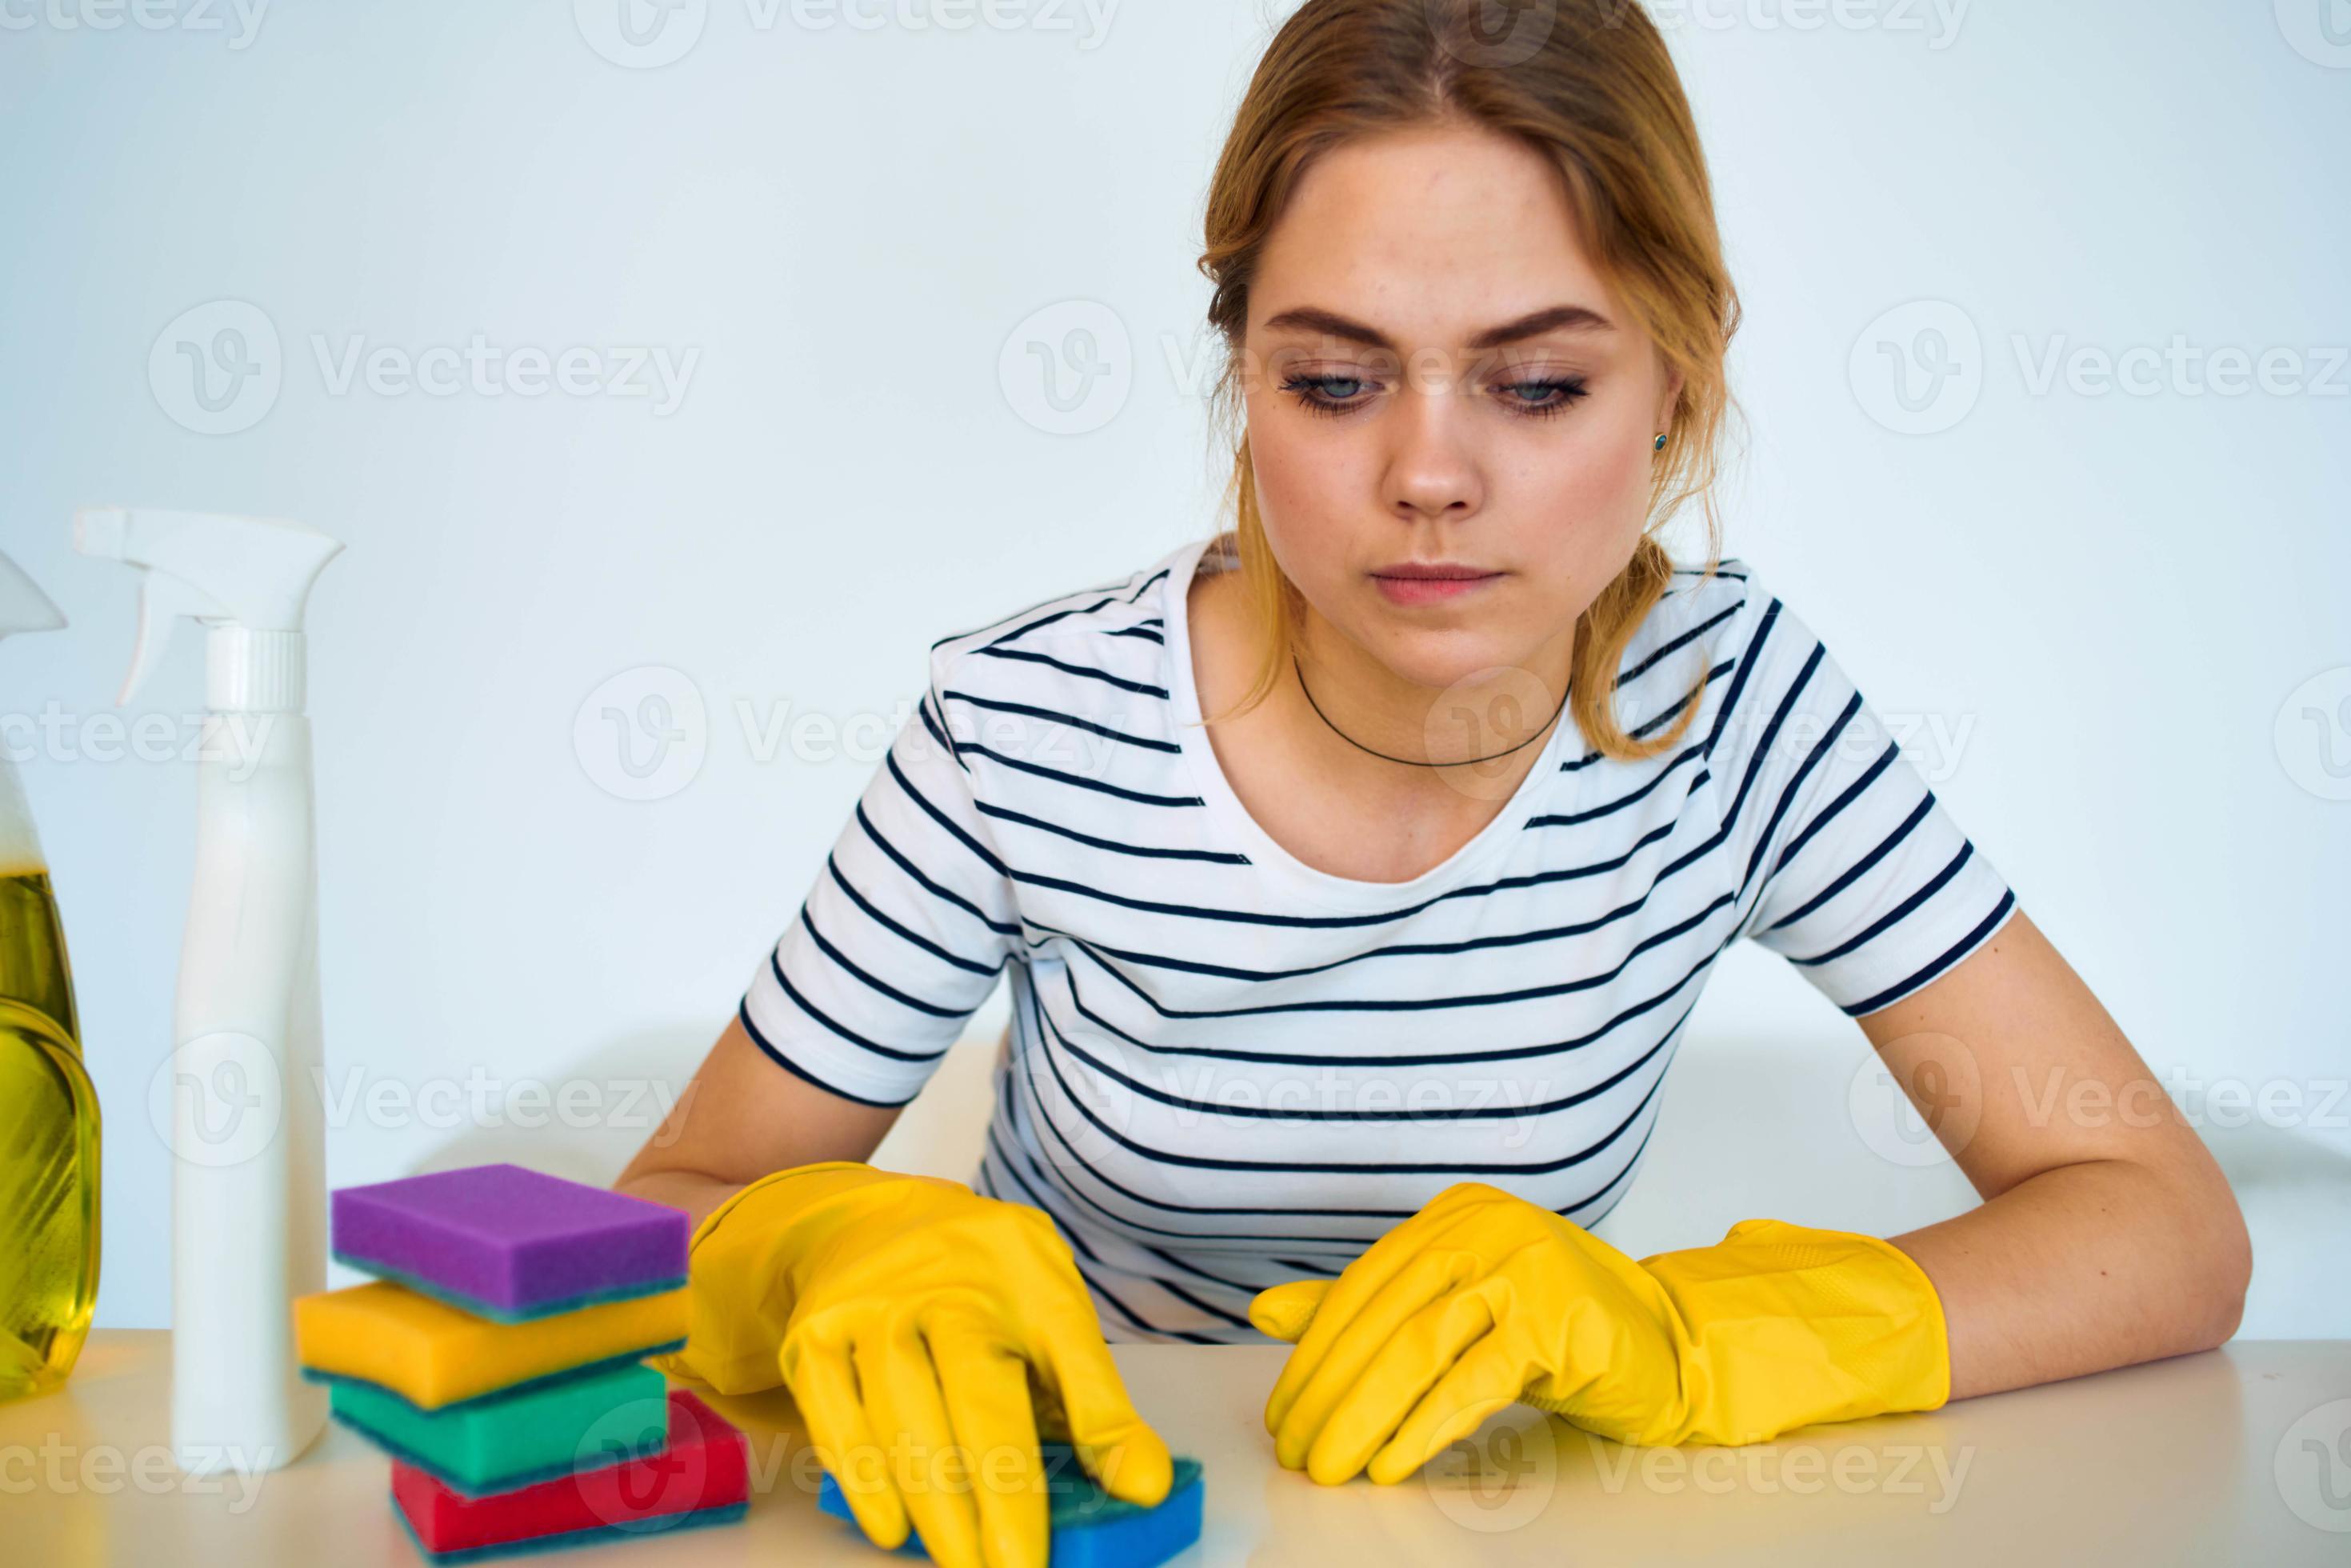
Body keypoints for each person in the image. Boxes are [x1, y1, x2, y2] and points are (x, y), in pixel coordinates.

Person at [618, 3, 2252, 1565]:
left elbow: (2159, 1226)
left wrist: (1684, 1334)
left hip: (1515, 1513)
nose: (1428, 477)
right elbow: (665, 1210)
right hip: (1077, 1513)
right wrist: (817, 1241)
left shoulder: (1733, 703)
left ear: (1679, 376)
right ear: (1241, 375)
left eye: (1538, 384)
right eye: (1332, 380)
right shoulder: (1022, 727)